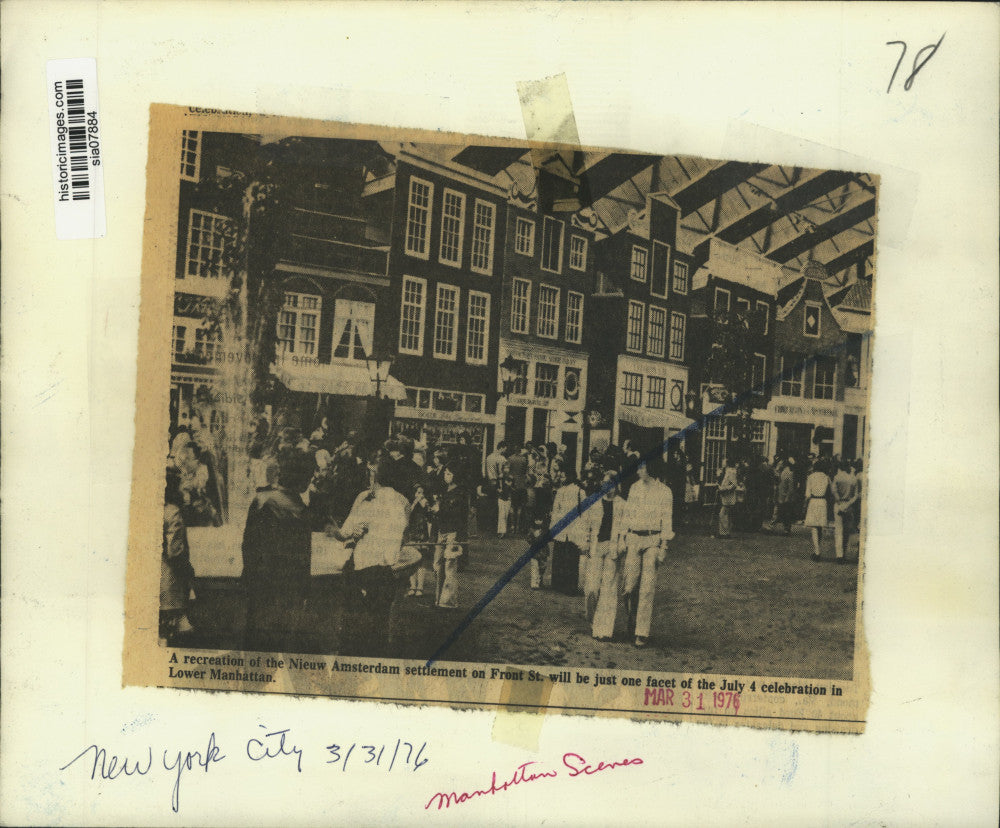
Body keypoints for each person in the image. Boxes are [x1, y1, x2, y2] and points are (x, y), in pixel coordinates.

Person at [331, 452, 411, 655]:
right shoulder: (403, 502)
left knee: (353, 626)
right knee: (378, 628)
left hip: (361, 570)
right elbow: (403, 539)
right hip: (385, 573)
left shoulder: (365, 498)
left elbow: (345, 533)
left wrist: (331, 529)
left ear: (373, 474)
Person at [240, 447, 315, 652]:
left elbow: (248, 547)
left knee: (257, 647)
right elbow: (303, 557)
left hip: (261, 588)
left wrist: (249, 580)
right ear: (302, 479)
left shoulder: (261, 500)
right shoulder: (302, 510)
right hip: (289, 591)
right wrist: (304, 591)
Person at [621, 460, 674, 647]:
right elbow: (627, 515)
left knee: (647, 587)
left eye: (642, 467)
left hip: (653, 540)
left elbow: (667, 521)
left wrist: (663, 547)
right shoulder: (634, 488)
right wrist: (624, 538)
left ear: (651, 468)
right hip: (634, 539)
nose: (638, 471)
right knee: (629, 586)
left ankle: (641, 632)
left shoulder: (665, 492)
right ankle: (632, 619)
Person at [587, 470, 628, 640]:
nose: (606, 486)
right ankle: (592, 621)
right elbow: (588, 525)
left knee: (609, 590)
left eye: (610, 483)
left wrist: (621, 545)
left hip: (612, 549)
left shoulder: (622, 504)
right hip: (597, 547)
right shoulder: (595, 503)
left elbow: (625, 529)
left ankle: (604, 629)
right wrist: (587, 543)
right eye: (604, 483)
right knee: (592, 588)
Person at [161, 470, 195, 644]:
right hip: (170, 585)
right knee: (173, 636)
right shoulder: (173, 512)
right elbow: (175, 551)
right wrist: (188, 570)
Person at [549, 465, 589, 595]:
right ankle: (561, 584)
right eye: (560, 476)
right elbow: (556, 510)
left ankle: (568, 586)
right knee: (561, 556)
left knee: (570, 557)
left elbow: (584, 512)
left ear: (570, 476)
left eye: (563, 476)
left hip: (574, 528)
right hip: (562, 528)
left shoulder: (579, 492)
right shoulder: (561, 491)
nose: (561, 478)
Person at [431, 464, 465, 609]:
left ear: (455, 476)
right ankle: (438, 599)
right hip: (442, 530)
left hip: (453, 532)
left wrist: (440, 509)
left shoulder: (460, 493)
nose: (446, 476)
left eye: (449, 473)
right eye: (445, 473)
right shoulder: (444, 491)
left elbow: (457, 515)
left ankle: (449, 601)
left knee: (450, 565)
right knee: (437, 564)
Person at [803, 458, 833, 561]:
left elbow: (807, 494)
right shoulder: (827, 477)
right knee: (820, 526)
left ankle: (817, 551)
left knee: (814, 527)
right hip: (823, 502)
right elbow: (831, 491)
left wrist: (805, 504)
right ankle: (817, 549)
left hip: (814, 501)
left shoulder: (810, 477)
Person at [832, 460, 859, 563]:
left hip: (839, 505)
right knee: (846, 531)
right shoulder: (853, 479)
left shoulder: (837, 477)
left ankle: (839, 555)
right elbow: (856, 495)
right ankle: (844, 553)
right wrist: (848, 504)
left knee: (838, 530)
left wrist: (839, 503)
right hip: (849, 505)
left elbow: (834, 491)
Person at [506, 444, 530, 536]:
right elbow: (526, 472)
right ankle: (518, 526)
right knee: (520, 507)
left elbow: (507, 472)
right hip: (522, 485)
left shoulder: (510, 458)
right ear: (520, 451)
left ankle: (512, 526)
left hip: (513, 485)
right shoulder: (524, 459)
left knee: (512, 506)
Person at [716, 459, 738, 538]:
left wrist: (723, 489)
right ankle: (725, 532)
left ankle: (724, 533)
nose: (722, 463)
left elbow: (734, 485)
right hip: (725, 496)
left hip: (729, 496)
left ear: (727, 463)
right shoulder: (726, 471)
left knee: (723, 514)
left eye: (724, 462)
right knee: (725, 514)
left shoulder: (731, 472)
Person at [775, 457, 797, 535]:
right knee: (780, 512)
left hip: (785, 496)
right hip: (781, 495)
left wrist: (787, 497)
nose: (778, 465)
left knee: (786, 513)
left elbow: (790, 487)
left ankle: (787, 529)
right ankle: (782, 528)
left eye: (780, 464)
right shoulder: (782, 472)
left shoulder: (788, 473)